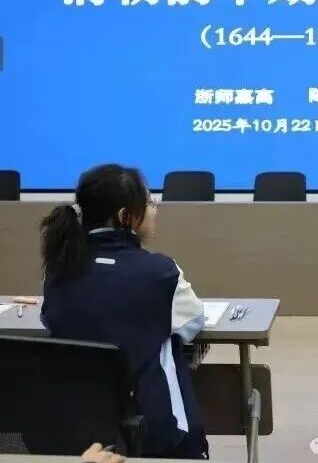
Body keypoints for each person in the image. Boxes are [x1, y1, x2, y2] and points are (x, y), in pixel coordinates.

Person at [40, 164, 209, 460]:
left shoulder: (58, 270)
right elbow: (194, 321)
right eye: (150, 202)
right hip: (156, 438)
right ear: (125, 217)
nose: (154, 209)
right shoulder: (161, 273)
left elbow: (50, 319)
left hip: (76, 438)